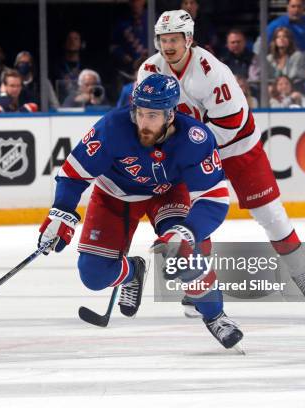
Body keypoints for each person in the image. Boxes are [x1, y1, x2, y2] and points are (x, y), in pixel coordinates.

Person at [38, 73, 243, 350]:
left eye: (153, 116)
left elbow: (214, 199)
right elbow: (73, 174)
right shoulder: (113, 127)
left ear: (171, 114)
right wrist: (61, 212)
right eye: (140, 113)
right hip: (115, 195)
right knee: (93, 275)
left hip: (169, 192)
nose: (143, 123)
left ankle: (216, 316)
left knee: (183, 252)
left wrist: (187, 232)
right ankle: (132, 271)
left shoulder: (195, 138)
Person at [138, 10, 305, 314]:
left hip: (237, 145)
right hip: (189, 150)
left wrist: (186, 146)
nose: (168, 46)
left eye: (174, 39)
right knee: (191, 215)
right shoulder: (149, 70)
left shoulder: (212, 71)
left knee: (270, 213)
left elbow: (231, 123)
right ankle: (199, 284)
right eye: (163, 39)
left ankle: (300, 271)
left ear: (189, 39)